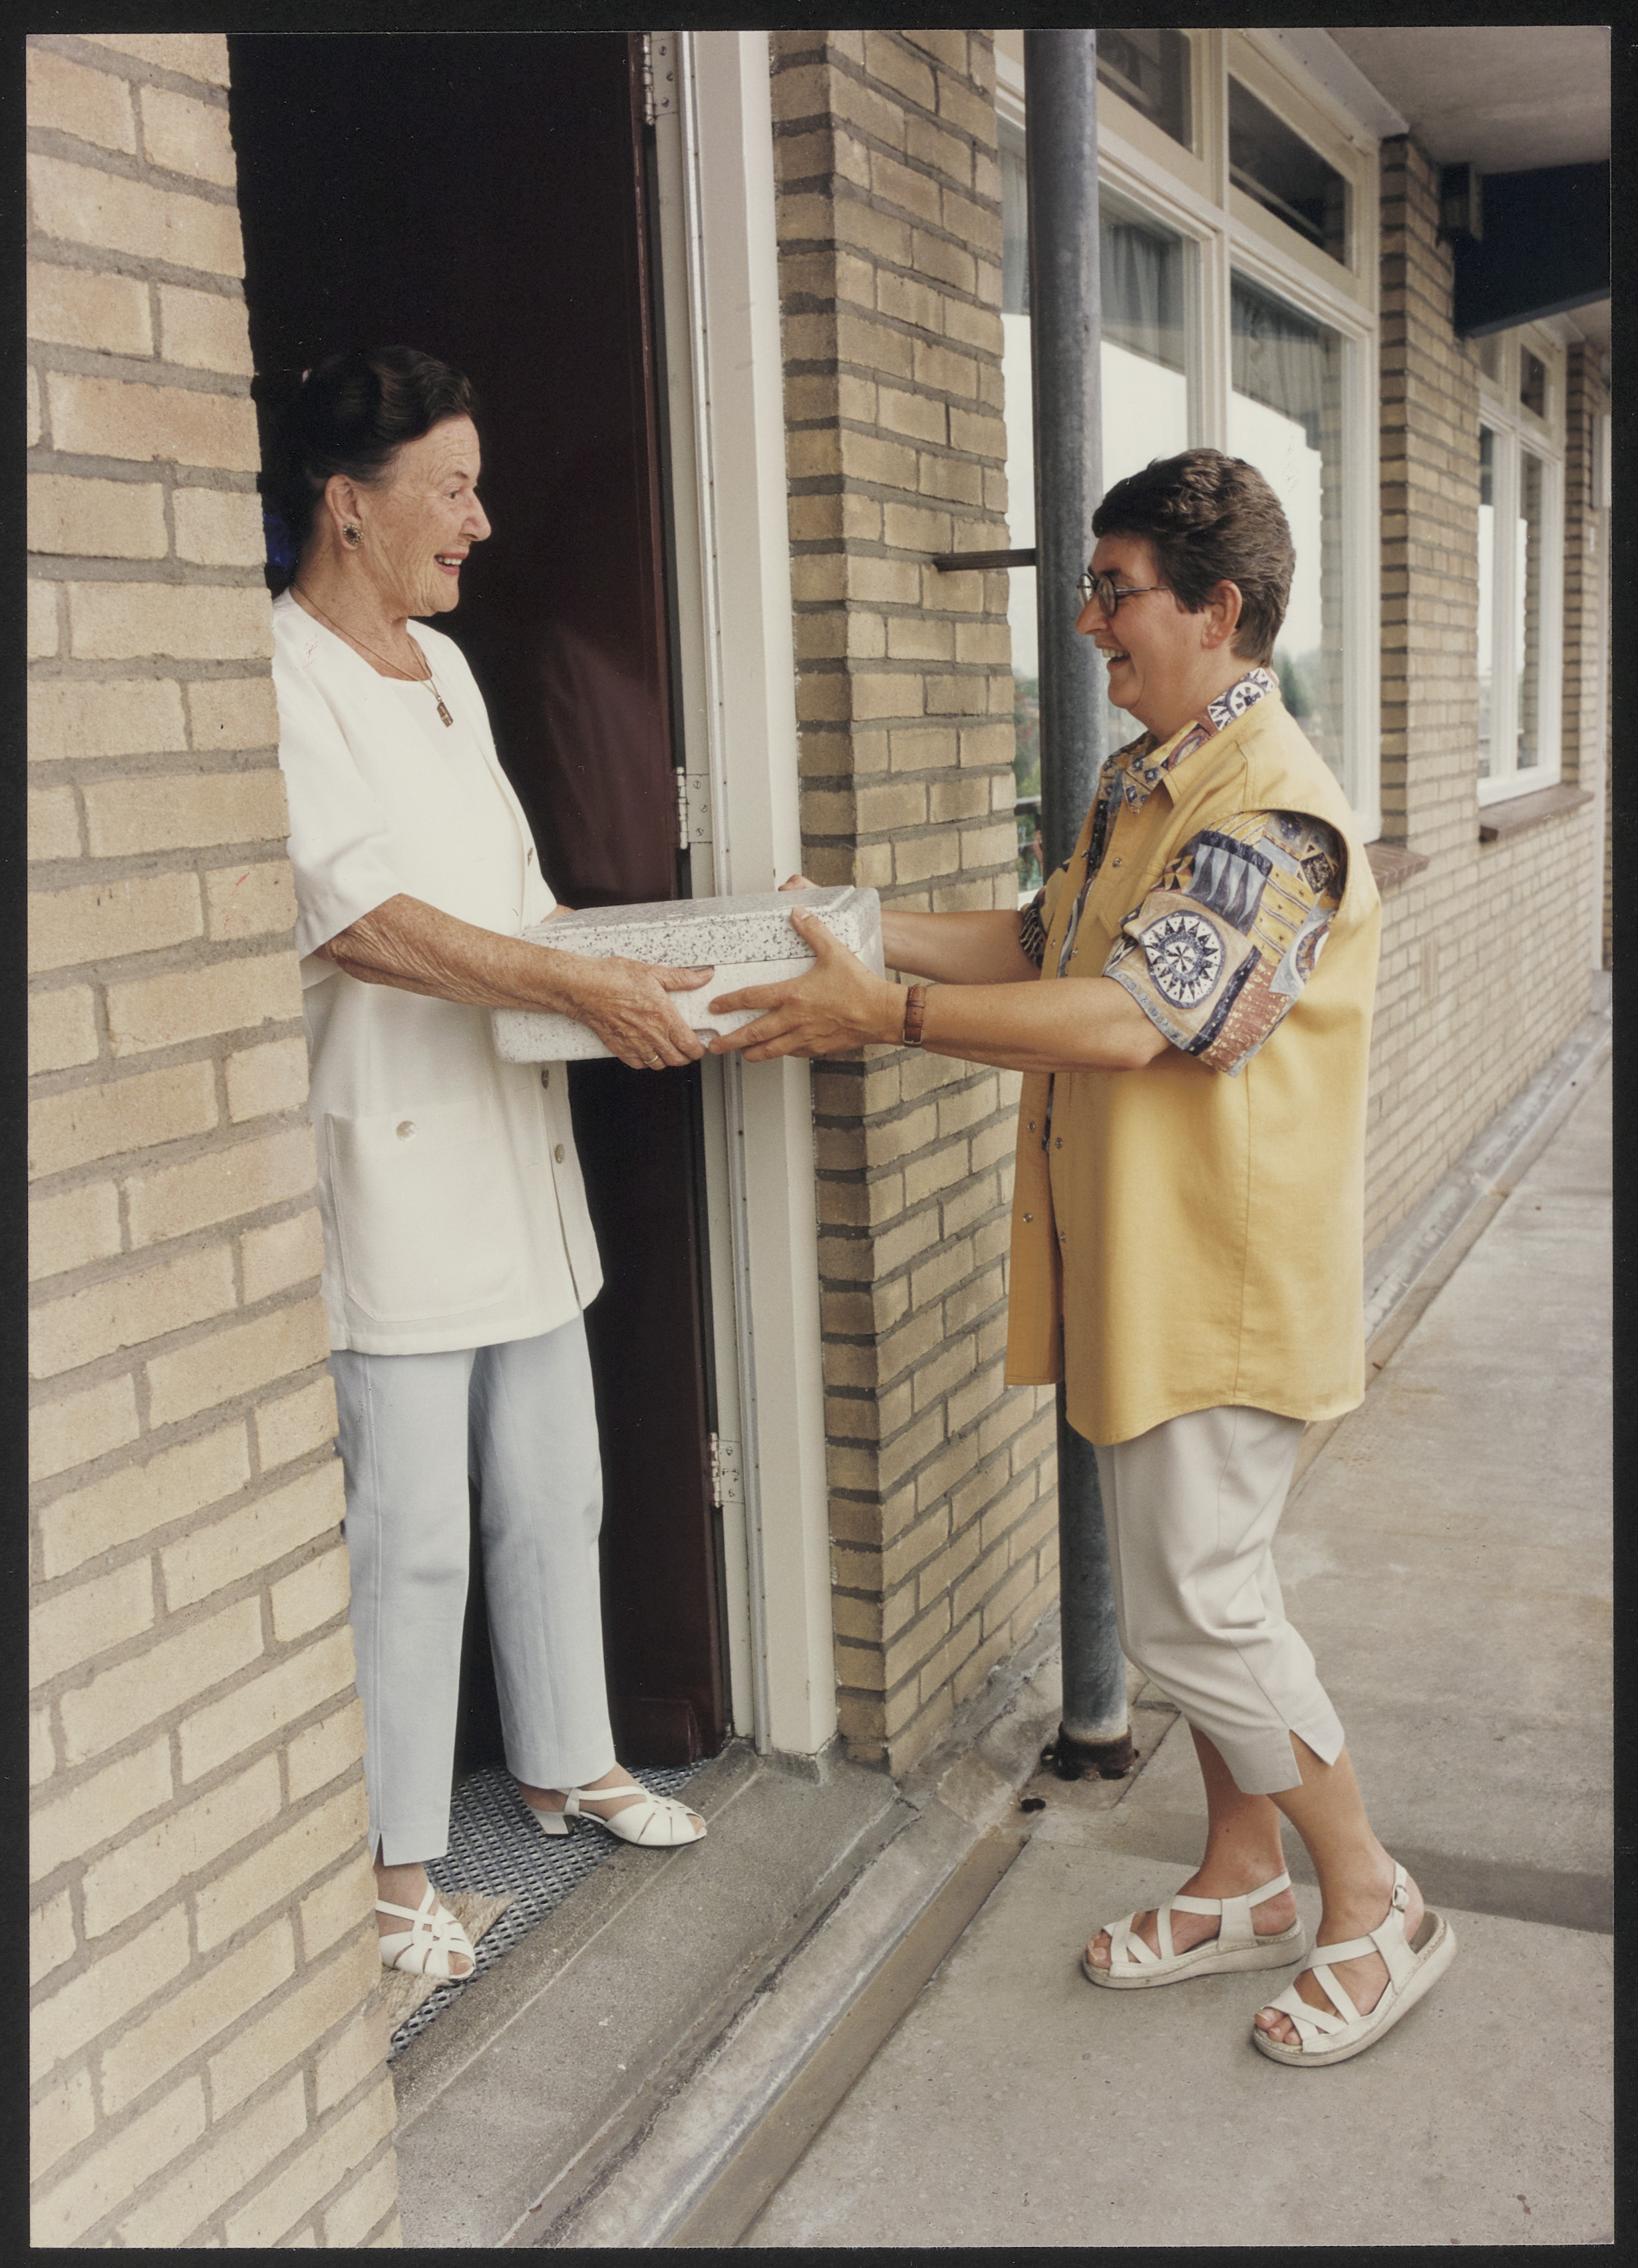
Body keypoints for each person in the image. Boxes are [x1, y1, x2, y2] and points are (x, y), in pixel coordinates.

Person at [708, 449, 1456, 2067]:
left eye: (1114, 593)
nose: (1086, 623)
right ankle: (1243, 1874)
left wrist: (881, 1014)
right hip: (1144, 1272)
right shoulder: (1146, 781)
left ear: (1217, 608)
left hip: (1220, 1287)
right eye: (1091, 589)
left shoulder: (1272, 815)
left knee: (1194, 1624)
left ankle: (1371, 1895)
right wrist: (846, 928)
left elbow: (1133, 1019)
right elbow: (1042, 945)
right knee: (1215, 1596)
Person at [267, 347, 709, 1985]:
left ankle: (566, 1760)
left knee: (553, 1485)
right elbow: (364, 922)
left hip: (513, 1146)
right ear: (348, 503)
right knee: (411, 1535)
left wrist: (681, 960)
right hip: (391, 1161)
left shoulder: (443, 668)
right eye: (450, 488)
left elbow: (518, 911)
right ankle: (396, 1877)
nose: (480, 520)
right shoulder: (279, 674)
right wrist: (582, 989)